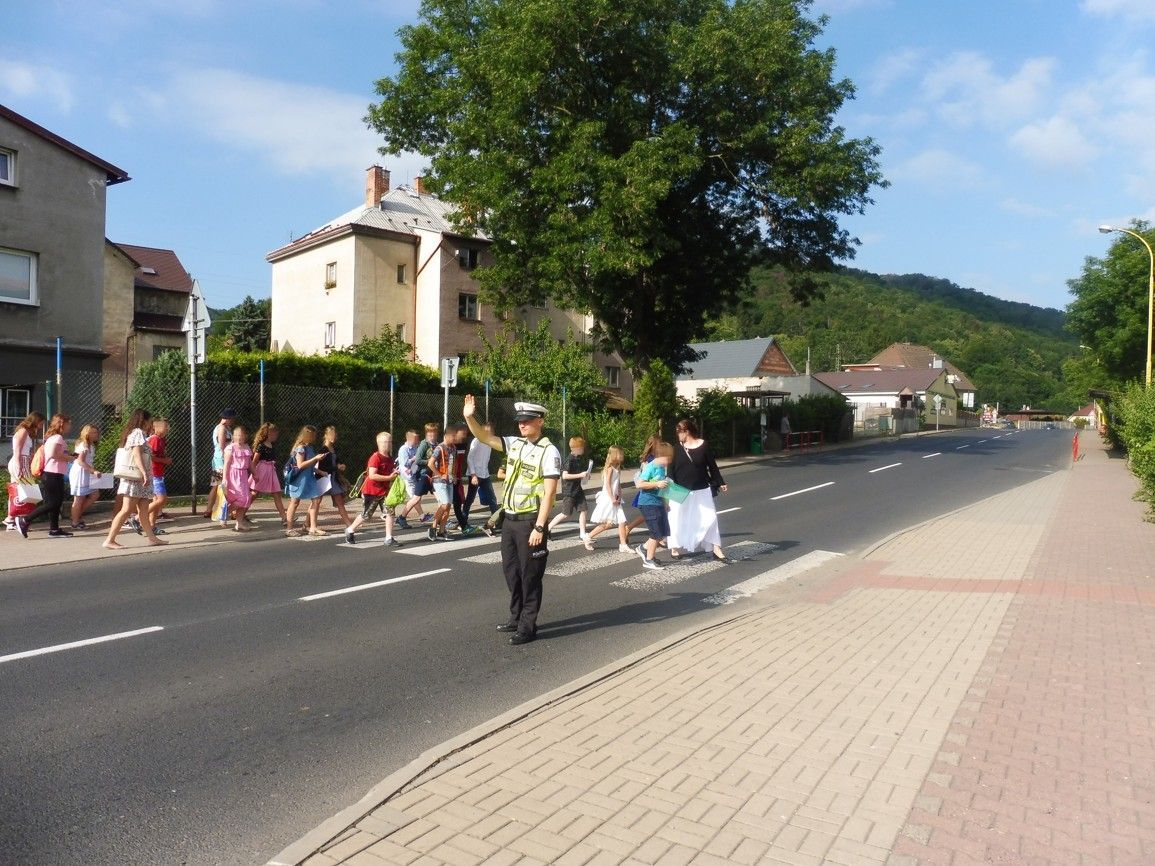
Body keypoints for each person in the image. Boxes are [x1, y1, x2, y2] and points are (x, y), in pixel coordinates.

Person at [463, 396, 561, 646]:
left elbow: (550, 492)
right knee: (511, 572)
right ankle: (515, 617)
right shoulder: (516, 444)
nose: (522, 425)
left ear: (540, 421)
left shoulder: (549, 452)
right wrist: (468, 417)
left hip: (530, 522)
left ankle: (528, 626)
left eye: (527, 421)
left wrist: (540, 526)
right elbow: (485, 438)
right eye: (520, 421)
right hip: (510, 520)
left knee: (530, 576)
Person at [667, 418, 730, 562]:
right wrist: (669, 490)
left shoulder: (704, 445)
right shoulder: (676, 448)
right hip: (679, 490)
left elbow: (712, 466)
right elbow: (670, 470)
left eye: (679, 432)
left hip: (702, 489)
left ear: (687, 431)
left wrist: (720, 482)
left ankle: (716, 548)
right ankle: (675, 547)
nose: (677, 435)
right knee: (677, 519)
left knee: (710, 518)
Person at [103, 409, 167, 549]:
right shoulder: (137, 433)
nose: (151, 423)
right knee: (126, 509)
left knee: (143, 511)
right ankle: (110, 539)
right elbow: (136, 454)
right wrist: (144, 473)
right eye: (149, 420)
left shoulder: (138, 433)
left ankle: (152, 538)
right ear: (144, 420)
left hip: (140, 479)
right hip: (136, 478)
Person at [19, 413, 74, 538]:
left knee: (55, 502)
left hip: (52, 473)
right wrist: (70, 458)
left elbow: (55, 454)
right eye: (68, 423)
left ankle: (54, 530)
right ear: (62, 424)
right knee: (53, 503)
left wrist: (69, 455)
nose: (70, 426)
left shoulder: (53, 437)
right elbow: (54, 454)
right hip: (52, 473)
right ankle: (25, 520)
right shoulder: (57, 438)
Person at [344, 432, 402, 547]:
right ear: (378, 443)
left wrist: (394, 474)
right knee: (366, 515)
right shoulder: (375, 458)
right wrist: (389, 477)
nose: (388, 444)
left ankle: (389, 538)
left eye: (390, 442)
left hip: (384, 491)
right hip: (372, 491)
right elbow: (372, 475)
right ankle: (350, 529)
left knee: (390, 512)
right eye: (385, 442)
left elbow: (388, 472)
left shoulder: (389, 459)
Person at [633, 441, 674, 570]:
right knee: (656, 533)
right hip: (647, 503)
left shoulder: (662, 468)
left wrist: (665, 503)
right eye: (667, 459)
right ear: (659, 456)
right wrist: (656, 484)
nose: (668, 462)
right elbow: (639, 484)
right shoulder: (650, 467)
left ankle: (643, 548)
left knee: (662, 531)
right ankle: (648, 560)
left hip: (658, 503)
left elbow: (663, 488)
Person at [583, 446, 630, 551]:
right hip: (609, 498)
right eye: (620, 454)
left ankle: (623, 545)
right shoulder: (609, 469)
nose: (622, 456)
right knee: (608, 524)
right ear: (615, 455)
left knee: (622, 521)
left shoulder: (617, 468)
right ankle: (588, 536)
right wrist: (613, 498)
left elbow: (618, 484)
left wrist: (620, 495)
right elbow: (607, 485)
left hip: (615, 498)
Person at [284, 425, 326, 537]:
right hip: (299, 479)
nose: (315, 437)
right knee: (295, 502)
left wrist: (320, 472)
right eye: (313, 435)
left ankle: (313, 527)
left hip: (309, 478)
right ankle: (289, 529)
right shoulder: (301, 448)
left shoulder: (309, 448)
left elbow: (310, 466)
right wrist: (315, 459)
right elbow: (300, 465)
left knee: (316, 500)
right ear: (308, 435)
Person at [6, 411, 44, 532]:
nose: (42, 425)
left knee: (17, 491)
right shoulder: (23, 431)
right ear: (36, 421)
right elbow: (17, 450)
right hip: (20, 461)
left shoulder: (26, 431)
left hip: (22, 461)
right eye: (41, 422)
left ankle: (11, 520)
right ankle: (15, 519)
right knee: (24, 490)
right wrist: (19, 467)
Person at [548, 435, 591, 540]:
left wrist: (585, 476)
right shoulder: (570, 460)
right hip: (569, 491)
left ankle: (582, 533)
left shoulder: (577, 459)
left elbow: (576, 474)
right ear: (577, 448)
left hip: (577, 489)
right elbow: (564, 476)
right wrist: (580, 475)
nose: (583, 449)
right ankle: (547, 528)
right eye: (582, 447)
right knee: (565, 513)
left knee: (583, 510)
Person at [622, 435, 662, 544]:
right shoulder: (649, 459)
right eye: (659, 443)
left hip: (655, 489)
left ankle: (658, 537)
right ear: (653, 445)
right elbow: (647, 477)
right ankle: (659, 537)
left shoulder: (654, 456)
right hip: (650, 489)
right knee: (653, 514)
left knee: (651, 514)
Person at [400, 423, 439, 526]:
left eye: (434, 433)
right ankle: (402, 517)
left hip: (433, 475)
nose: (433, 436)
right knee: (416, 498)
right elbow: (418, 461)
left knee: (440, 497)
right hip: (423, 474)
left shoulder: (436, 444)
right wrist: (430, 462)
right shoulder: (424, 444)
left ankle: (440, 519)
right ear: (426, 434)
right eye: (430, 434)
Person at [250, 422, 288, 525]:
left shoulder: (272, 444)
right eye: (274, 433)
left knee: (277, 494)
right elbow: (254, 462)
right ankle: (240, 512)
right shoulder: (261, 446)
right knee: (254, 494)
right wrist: (254, 474)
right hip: (261, 471)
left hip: (271, 471)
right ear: (268, 433)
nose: (276, 436)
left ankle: (284, 518)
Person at [463, 421, 499, 530]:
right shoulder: (477, 440)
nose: (488, 433)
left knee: (492, 499)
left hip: (485, 474)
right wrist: (473, 475)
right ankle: (463, 521)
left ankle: (496, 521)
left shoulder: (490, 442)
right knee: (470, 498)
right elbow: (469, 458)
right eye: (486, 431)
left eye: (490, 431)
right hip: (475, 474)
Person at [318, 425, 353, 529]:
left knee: (340, 502)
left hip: (333, 480)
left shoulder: (334, 448)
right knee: (316, 502)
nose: (334, 437)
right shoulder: (323, 449)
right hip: (323, 479)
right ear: (326, 436)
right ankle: (306, 524)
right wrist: (336, 467)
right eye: (331, 435)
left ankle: (349, 524)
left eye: (335, 435)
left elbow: (337, 461)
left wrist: (341, 465)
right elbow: (322, 467)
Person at [203, 408, 236, 518]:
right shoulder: (221, 428)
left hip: (222, 459)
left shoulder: (227, 428)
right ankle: (228, 510)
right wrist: (227, 459)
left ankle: (210, 510)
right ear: (227, 418)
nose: (233, 420)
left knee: (217, 485)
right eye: (231, 418)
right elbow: (222, 446)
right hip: (221, 460)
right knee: (219, 484)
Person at [69, 424, 103, 530]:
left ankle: (77, 515)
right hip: (80, 473)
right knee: (79, 498)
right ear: (87, 434)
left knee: (94, 494)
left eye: (96, 432)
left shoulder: (90, 445)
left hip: (87, 472)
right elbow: (80, 461)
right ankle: (75, 521)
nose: (95, 434)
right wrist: (93, 471)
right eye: (93, 432)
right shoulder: (84, 444)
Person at [426, 426, 457, 541]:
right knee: (444, 504)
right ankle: (433, 527)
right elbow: (430, 464)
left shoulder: (453, 448)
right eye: (452, 436)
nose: (454, 438)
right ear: (446, 436)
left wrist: (454, 476)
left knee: (448, 506)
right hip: (439, 481)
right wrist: (439, 474)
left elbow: (453, 463)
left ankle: (442, 530)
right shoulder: (440, 448)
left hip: (449, 481)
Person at [222, 424, 255, 531]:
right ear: (233, 436)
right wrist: (224, 478)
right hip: (233, 475)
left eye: (241, 435)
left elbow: (249, 463)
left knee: (246, 499)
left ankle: (239, 523)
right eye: (237, 435)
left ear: (245, 436)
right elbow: (226, 464)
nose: (239, 437)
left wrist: (255, 474)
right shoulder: (230, 448)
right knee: (240, 498)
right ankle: (225, 512)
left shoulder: (246, 447)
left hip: (243, 476)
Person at [146, 417, 173, 531]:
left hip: (158, 473)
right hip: (154, 473)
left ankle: (152, 525)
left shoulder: (161, 439)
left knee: (156, 500)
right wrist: (164, 461)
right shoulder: (154, 439)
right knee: (161, 499)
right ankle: (137, 518)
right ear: (156, 428)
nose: (168, 429)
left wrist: (164, 459)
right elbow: (150, 457)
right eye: (165, 427)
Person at [394, 429, 421, 529]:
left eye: (418, 439)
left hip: (414, 475)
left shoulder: (416, 448)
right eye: (415, 439)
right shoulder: (403, 449)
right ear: (409, 439)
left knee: (415, 497)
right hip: (407, 477)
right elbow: (404, 463)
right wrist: (415, 458)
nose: (417, 440)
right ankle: (420, 516)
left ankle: (402, 517)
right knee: (415, 497)